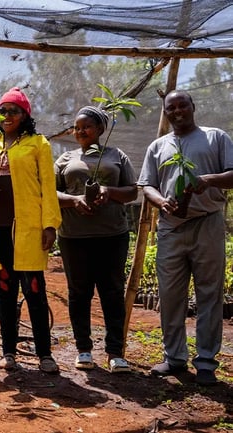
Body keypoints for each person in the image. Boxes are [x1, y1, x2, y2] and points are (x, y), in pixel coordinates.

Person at [138, 90, 233, 386]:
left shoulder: (215, 137)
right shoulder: (158, 146)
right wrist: (161, 202)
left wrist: (208, 180)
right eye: (171, 107)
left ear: (193, 107)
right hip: (171, 227)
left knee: (209, 293)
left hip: (207, 223)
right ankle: (175, 357)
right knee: (169, 295)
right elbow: (147, 185)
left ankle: (206, 361)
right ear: (165, 113)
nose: (177, 110)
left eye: (182, 105)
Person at [0, 87, 61, 374]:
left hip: (28, 227)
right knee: (4, 287)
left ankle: (44, 354)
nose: (8, 115)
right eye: (3, 111)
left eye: (14, 110)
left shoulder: (39, 144)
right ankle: (9, 352)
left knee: (34, 288)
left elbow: (48, 187)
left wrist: (50, 224)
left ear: (25, 115)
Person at [55, 106, 137, 373]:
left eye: (86, 127)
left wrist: (108, 190)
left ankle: (115, 352)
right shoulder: (65, 158)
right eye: (77, 127)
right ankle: (84, 350)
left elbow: (132, 192)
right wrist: (74, 200)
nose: (80, 132)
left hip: (112, 234)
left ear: (101, 129)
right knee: (79, 293)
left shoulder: (117, 156)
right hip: (74, 236)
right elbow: (50, 194)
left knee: (112, 291)